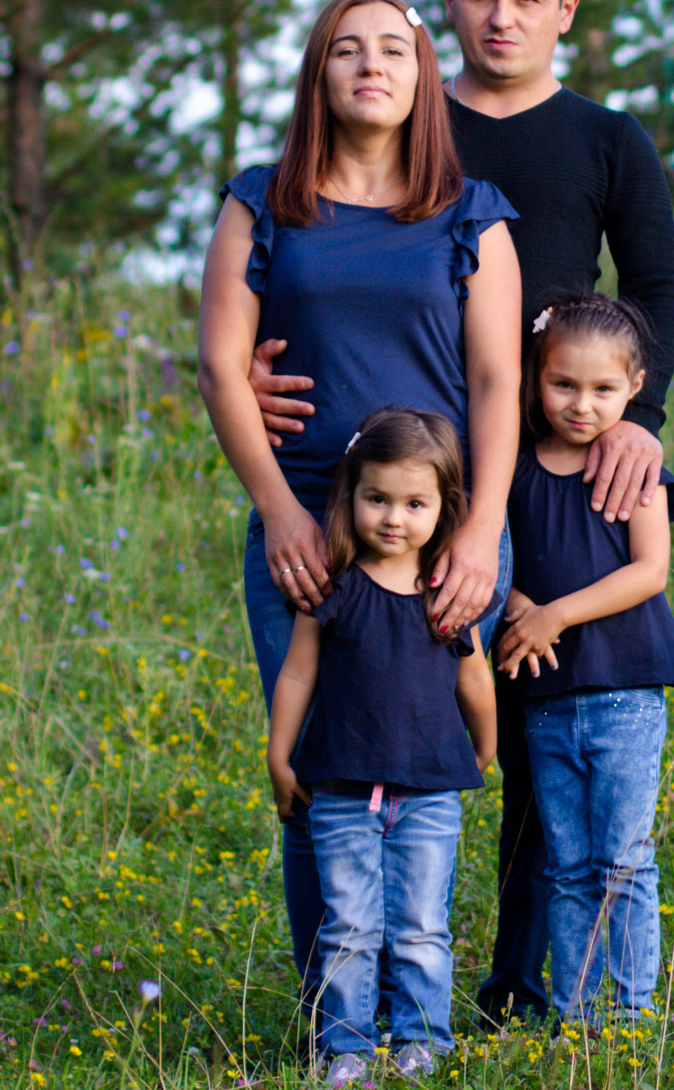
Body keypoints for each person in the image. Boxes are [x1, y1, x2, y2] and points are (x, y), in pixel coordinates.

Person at [247, 0, 674, 1025]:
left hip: (559, 466)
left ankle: (531, 980)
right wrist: (259, 364)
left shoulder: (605, 139)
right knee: (399, 717)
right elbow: (322, 253)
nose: (502, 16)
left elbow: (657, 289)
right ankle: (375, 990)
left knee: (550, 733)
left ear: (566, 12)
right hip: (411, 480)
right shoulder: (402, 120)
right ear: (448, 3)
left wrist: (647, 416)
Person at [196, 0, 523, 985]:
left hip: (443, 545)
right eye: (346, 50)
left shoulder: (473, 213)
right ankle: (328, 1023)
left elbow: (497, 380)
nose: (370, 65)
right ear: (319, 75)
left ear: (423, 73)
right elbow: (220, 367)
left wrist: (479, 537)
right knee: (314, 775)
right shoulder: (261, 204)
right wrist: (283, 512)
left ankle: (414, 1013)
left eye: (392, 48)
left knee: (424, 780)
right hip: (309, 539)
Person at [268, 409, 500, 1086]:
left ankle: (422, 1038)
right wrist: (280, 755)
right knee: (348, 925)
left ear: (443, 507)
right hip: (340, 786)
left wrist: (482, 746)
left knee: (422, 924)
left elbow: (473, 675)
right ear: (351, 496)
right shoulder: (334, 589)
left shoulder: (447, 594)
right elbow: (298, 672)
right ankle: (346, 1045)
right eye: (378, 498)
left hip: (429, 790)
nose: (394, 517)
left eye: (414, 502)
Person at [495, 295, 674, 1027]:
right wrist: (519, 604)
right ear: (535, 379)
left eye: (603, 389)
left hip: (625, 693)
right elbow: (496, 560)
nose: (582, 405)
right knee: (568, 867)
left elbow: (649, 571)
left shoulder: (635, 470)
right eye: (563, 385)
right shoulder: (515, 472)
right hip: (545, 700)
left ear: (635, 386)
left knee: (623, 861)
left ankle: (632, 1011)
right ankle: (577, 1016)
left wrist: (556, 613)